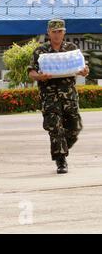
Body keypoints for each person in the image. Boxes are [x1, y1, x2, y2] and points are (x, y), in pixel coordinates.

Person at [28, 19, 89, 174]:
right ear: (48, 32)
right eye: (54, 32)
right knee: (56, 129)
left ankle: (61, 147)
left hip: (69, 96)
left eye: (60, 31)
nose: (57, 34)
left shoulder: (71, 49)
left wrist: (84, 71)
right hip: (49, 97)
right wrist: (40, 77)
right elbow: (31, 72)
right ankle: (61, 160)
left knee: (75, 127)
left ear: (64, 32)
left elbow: (83, 67)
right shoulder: (40, 51)